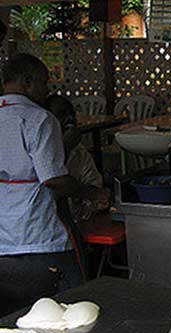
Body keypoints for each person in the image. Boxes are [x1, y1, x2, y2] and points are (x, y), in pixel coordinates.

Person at [0, 54, 98, 316]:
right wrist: (91, 193)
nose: (47, 91)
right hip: (40, 239)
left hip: (3, 243)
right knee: (73, 308)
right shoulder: (39, 119)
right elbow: (54, 179)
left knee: (14, 320)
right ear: (27, 83)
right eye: (44, 83)